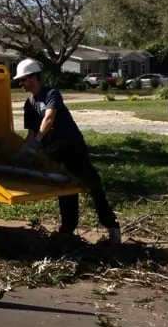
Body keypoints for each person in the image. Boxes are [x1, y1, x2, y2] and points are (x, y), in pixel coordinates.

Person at [14, 58, 121, 246]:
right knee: (64, 188)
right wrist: (22, 152)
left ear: (33, 77)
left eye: (23, 79)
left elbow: (49, 118)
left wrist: (37, 142)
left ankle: (112, 227)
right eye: (20, 81)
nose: (20, 83)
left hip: (72, 147)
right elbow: (31, 133)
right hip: (54, 151)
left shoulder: (51, 94)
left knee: (92, 185)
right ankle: (68, 229)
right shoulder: (28, 104)